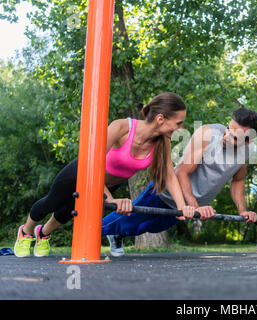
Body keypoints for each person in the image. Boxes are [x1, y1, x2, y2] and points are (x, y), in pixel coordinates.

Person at [14, 92, 196, 258]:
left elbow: (169, 176)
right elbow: (92, 163)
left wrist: (181, 207)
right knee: (52, 203)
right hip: (82, 172)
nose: (180, 129)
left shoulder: (162, 143)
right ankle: (26, 232)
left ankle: (43, 234)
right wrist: (110, 199)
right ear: (160, 119)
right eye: (178, 123)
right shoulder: (122, 127)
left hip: (108, 184)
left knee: (67, 212)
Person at [102, 107, 257, 257]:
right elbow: (181, 172)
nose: (226, 137)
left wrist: (243, 210)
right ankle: (87, 234)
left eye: (234, 138)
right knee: (127, 219)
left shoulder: (247, 151)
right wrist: (195, 207)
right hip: (166, 193)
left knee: (148, 227)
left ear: (248, 141)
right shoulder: (208, 134)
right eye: (228, 129)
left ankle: (116, 233)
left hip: (189, 205)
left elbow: (238, 180)